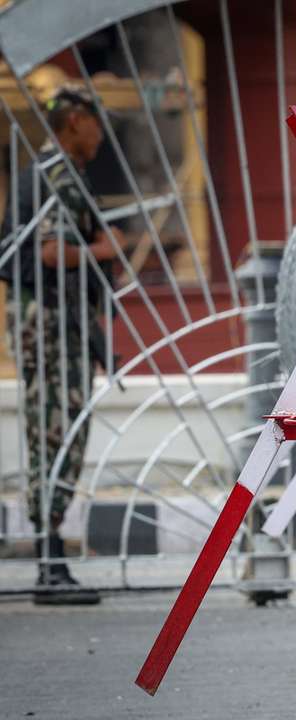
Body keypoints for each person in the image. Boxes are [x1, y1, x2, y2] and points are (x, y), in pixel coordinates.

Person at [1, 86, 118, 605]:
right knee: (58, 427)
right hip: (51, 319)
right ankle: (50, 561)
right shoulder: (58, 175)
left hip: (47, 318)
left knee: (54, 425)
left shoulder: (49, 172)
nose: (101, 132)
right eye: (96, 121)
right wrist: (102, 248)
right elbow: (51, 252)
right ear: (75, 120)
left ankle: (51, 554)